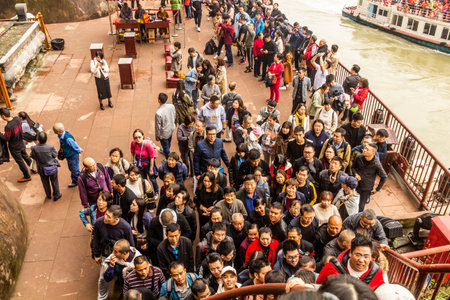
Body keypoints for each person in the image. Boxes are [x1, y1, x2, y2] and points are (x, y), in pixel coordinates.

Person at [317, 235, 385, 290]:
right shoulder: (332, 268)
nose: (361, 260)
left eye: (366, 256)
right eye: (358, 255)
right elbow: (319, 288)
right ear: (350, 253)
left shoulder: (376, 272)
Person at [0, 108, 33, 182]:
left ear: (3, 116)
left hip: (14, 147)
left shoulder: (8, 127)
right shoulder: (17, 119)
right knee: (26, 156)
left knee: (20, 162)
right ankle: (34, 168)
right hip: (21, 142)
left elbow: (6, 139)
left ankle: (27, 176)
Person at [352, 144, 387, 212]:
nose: (364, 150)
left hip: (366, 187)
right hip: (356, 183)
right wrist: (355, 174)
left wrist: (377, 189)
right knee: (353, 201)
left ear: (373, 153)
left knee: (361, 206)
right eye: (365, 148)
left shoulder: (376, 164)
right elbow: (353, 167)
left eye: (367, 149)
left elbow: (384, 176)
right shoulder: (359, 157)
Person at [30, 132, 61, 201]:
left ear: (38, 139)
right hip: (51, 167)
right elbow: (55, 155)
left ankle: (48, 195)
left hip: (41, 168)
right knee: (54, 181)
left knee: (45, 182)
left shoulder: (34, 148)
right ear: (46, 139)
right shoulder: (50, 147)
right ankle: (56, 195)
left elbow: (32, 156)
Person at [131, 129, 158, 194]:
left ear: (143, 136)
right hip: (140, 164)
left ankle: (156, 191)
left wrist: (151, 169)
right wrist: (133, 162)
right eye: (135, 138)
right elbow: (132, 153)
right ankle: (147, 191)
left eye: (139, 137)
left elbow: (152, 157)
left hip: (148, 164)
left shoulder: (147, 144)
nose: (137, 139)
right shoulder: (133, 143)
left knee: (152, 179)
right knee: (144, 179)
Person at [155, 93, 176, 159]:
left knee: (165, 146)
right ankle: (166, 150)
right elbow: (174, 115)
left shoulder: (158, 113)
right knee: (168, 142)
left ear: (159, 100)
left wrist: (157, 136)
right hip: (171, 128)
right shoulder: (171, 106)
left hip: (164, 133)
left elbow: (157, 126)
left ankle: (168, 158)